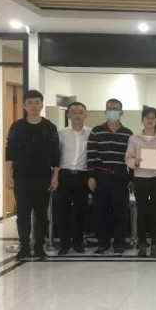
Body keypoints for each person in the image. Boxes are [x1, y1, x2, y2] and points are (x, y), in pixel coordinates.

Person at [5, 90, 60, 261]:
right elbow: (10, 153)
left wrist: (55, 177)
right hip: (21, 176)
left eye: (37, 102)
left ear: (42, 105)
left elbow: (56, 154)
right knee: (22, 214)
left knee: (41, 214)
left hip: (43, 176)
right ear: (24, 105)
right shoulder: (17, 126)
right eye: (30, 103)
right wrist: (8, 176)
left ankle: (39, 247)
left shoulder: (49, 127)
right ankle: (24, 247)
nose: (34, 106)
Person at [87, 98, 133, 255]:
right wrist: (91, 176)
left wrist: (131, 179)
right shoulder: (96, 131)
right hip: (101, 177)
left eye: (116, 108)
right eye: (110, 108)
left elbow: (131, 157)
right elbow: (91, 154)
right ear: (105, 111)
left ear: (121, 112)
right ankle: (103, 243)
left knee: (120, 212)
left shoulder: (128, 133)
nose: (113, 111)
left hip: (120, 177)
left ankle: (119, 243)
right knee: (100, 212)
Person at [126, 107, 156, 258]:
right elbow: (128, 158)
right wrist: (135, 162)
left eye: (153, 118)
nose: (150, 120)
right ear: (143, 119)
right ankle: (142, 244)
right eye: (147, 117)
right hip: (140, 179)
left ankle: (155, 244)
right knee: (142, 212)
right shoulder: (134, 138)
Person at [56, 101, 90, 256]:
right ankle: (64, 244)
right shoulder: (61, 133)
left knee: (81, 211)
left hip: (82, 176)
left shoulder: (91, 133)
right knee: (62, 211)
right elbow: (56, 157)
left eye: (80, 112)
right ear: (68, 115)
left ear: (85, 114)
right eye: (74, 112)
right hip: (64, 175)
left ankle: (78, 243)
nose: (77, 115)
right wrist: (55, 176)